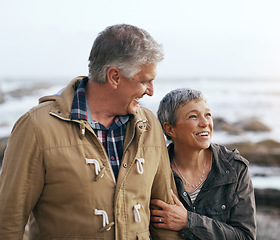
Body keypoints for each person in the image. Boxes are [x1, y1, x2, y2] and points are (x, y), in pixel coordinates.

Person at [0, 24, 182, 240]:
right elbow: (8, 221)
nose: (151, 91)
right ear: (114, 76)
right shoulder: (35, 127)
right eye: (144, 81)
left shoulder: (149, 125)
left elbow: (164, 217)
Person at [150, 88, 257, 239]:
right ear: (169, 129)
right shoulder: (153, 169)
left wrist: (189, 221)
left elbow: (246, 236)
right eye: (193, 116)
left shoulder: (235, 168)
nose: (205, 122)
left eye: (207, 114)